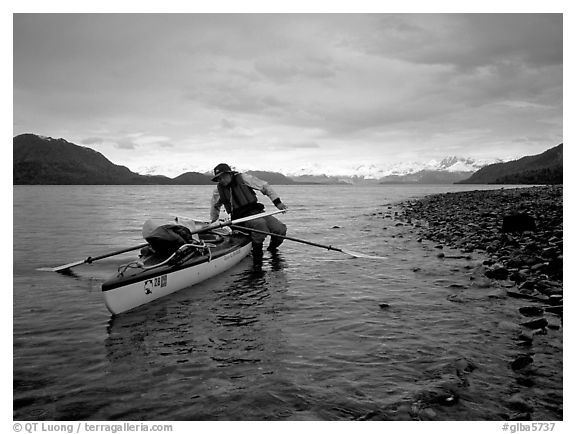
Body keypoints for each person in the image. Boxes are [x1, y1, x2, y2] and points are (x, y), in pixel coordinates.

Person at [210, 163, 287, 260]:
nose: (221, 180)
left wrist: (277, 202)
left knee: (280, 229)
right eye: (219, 178)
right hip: (240, 218)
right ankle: (257, 254)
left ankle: (271, 250)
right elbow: (215, 206)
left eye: (223, 177)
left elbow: (265, 186)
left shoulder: (244, 178)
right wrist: (213, 222)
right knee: (260, 225)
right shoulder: (218, 190)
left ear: (230, 174)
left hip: (256, 212)